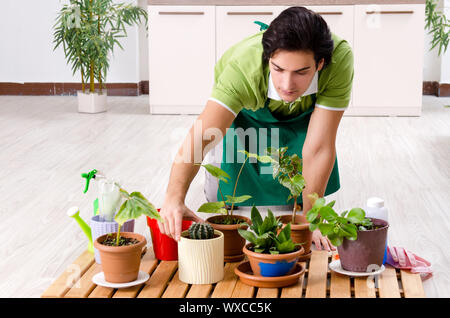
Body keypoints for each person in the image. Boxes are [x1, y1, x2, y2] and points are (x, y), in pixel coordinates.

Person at [158, 6, 353, 251]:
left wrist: (311, 218)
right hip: (246, 117)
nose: (287, 84)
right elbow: (203, 136)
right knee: (232, 200)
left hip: (303, 118)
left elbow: (320, 146)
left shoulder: (340, 59)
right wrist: (174, 197)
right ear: (267, 58)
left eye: (301, 72)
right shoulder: (242, 68)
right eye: (278, 69)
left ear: (321, 64)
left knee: (294, 213)